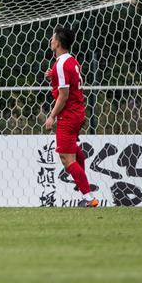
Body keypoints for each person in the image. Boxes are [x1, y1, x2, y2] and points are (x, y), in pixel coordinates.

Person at [44, 26, 98, 208]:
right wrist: (52, 77)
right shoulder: (72, 61)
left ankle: (89, 197)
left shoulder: (60, 64)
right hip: (78, 112)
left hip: (69, 115)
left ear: (58, 42)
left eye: (52, 38)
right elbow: (70, 83)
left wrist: (51, 116)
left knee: (67, 159)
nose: (50, 41)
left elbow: (64, 95)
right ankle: (84, 187)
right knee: (73, 151)